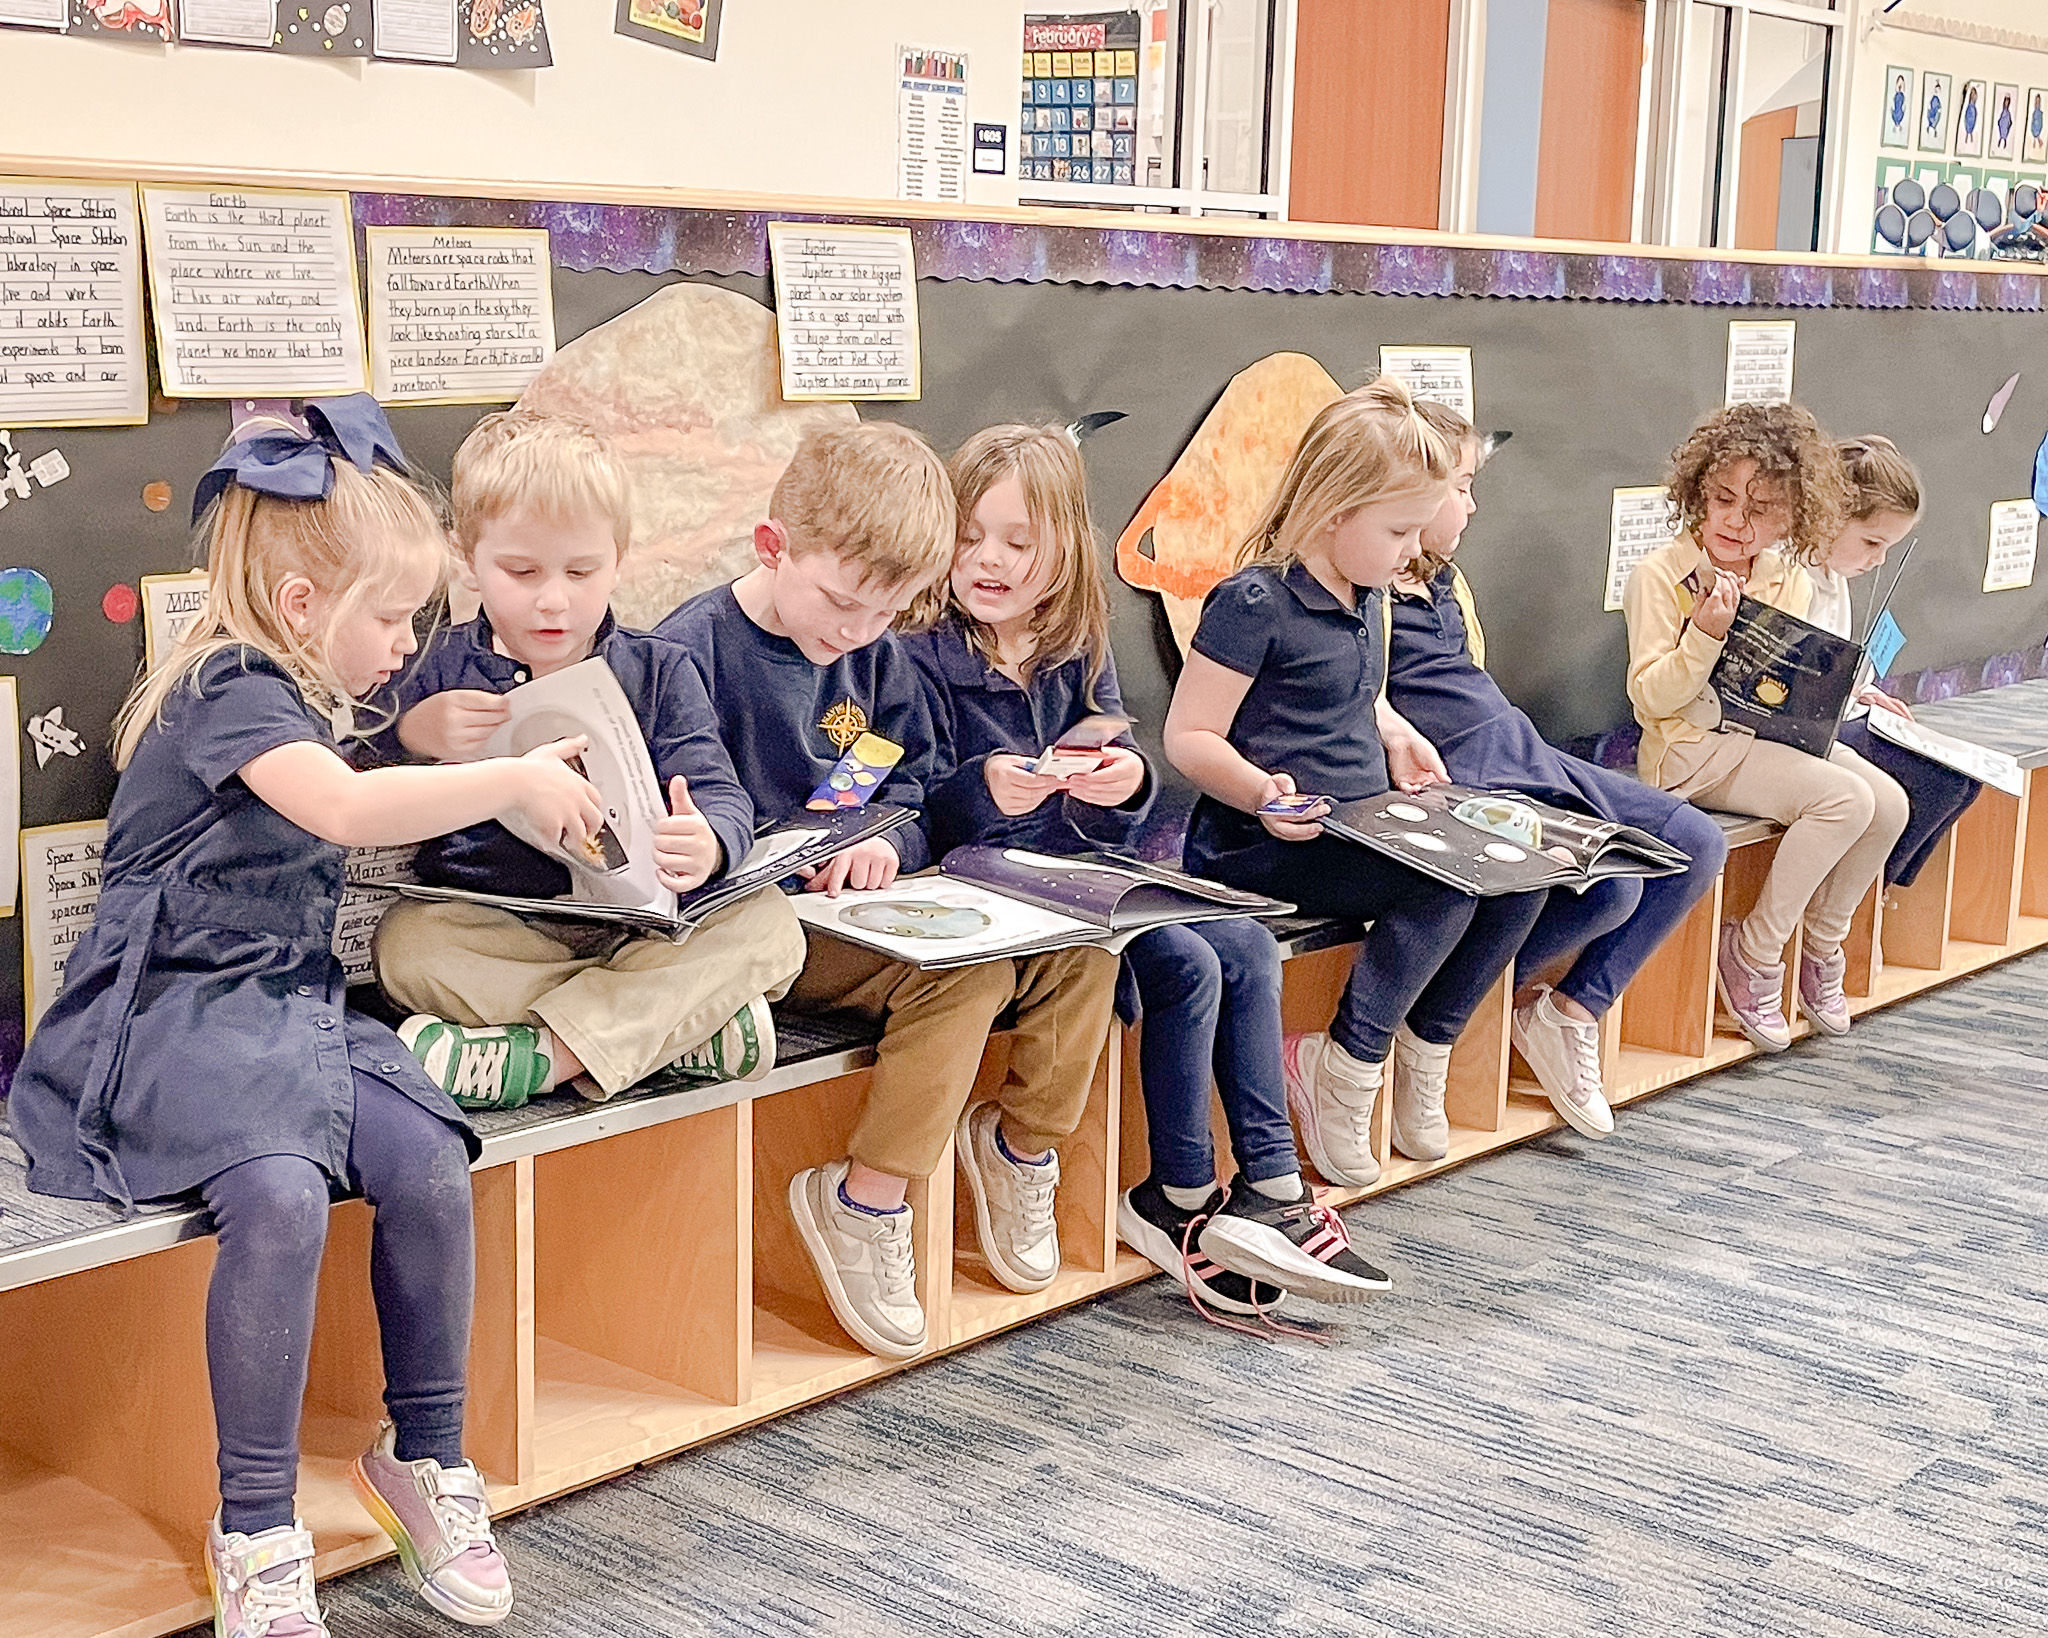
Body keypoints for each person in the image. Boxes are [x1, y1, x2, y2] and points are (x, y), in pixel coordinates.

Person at [5, 400, 601, 1635]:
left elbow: (356, 787)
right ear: (295, 605)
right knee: (278, 1197)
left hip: (285, 1009)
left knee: (431, 1161)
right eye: (390, 620)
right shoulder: (226, 682)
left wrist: (474, 764)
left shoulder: (301, 686)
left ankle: (423, 1458)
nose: (402, 648)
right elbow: (336, 808)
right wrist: (508, 777)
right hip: (166, 1023)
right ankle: (258, 1530)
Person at [657, 422, 1121, 1359]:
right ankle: (866, 1199)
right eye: (841, 605)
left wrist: (879, 843)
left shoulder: (878, 657)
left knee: (1083, 942)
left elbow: (897, 784)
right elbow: (682, 823)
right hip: (757, 922)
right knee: (967, 977)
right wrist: (783, 858)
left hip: (863, 905)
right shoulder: (688, 653)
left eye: (886, 611)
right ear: (771, 547)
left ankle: (1023, 1147)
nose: (856, 632)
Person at [903, 424, 1387, 1313]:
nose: (989, 560)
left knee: (1244, 943)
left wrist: (1122, 781)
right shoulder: (914, 651)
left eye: (1017, 541)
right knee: (1191, 964)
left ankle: (1271, 1189)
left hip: (1090, 868)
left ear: (1062, 549)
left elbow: (1116, 755)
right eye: (970, 537)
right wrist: (986, 788)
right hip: (988, 891)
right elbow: (917, 804)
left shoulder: (1076, 640)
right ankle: (1181, 1194)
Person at [1163, 377, 1550, 1183]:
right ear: (1333, 512)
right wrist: (1264, 795)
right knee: (1444, 887)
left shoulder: (1368, 592)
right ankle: (1346, 1065)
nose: (1415, 549)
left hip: (1359, 823)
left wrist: (1397, 731)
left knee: (1521, 874)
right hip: (1258, 845)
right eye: (1400, 528)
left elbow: (1357, 690)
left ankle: (1428, 1042)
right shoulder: (1254, 601)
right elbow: (1189, 736)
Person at [370, 411, 805, 1108]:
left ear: (618, 556)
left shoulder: (661, 670)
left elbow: (721, 793)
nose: (553, 599)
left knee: (773, 926)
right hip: (502, 926)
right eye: (520, 571)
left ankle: (545, 1056)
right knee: (405, 946)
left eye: (581, 571)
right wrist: (410, 735)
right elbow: (348, 779)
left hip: (645, 930)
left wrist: (712, 843)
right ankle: (677, 1032)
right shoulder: (432, 667)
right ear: (465, 557)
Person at [1384, 401, 1728, 1137]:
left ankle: (1568, 1012)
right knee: (1606, 892)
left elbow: (1474, 676)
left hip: (1525, 750)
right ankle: (1437, 1012)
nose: (1472, 506)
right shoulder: (1366, 591)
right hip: (1471, 772)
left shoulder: (1443, 582)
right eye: (1463, 487)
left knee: (1696, 844)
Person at [1623, 402, 1902, 1050]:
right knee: (1843, 797)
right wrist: (1705, 636)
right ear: (1699, 489)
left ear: (1794, 517)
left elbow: (1784, 692)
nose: (1736, 523)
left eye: (1761, 512)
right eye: (1722, 499)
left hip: (1763, 742)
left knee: (1888, 802)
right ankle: (1754, 952)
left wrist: (1835, 702)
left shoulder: (1785, 576)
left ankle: (1821, 942)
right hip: (1687, 753)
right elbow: (1651, 700)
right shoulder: (1661, 575)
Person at [1803, 435, 1980, 889]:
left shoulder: (1832, 578)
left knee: (1964, 779)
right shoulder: (1790, 576)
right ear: (1830, 516)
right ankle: (1861, 901)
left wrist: (1868, 693)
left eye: (1888, 549)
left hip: (1836, 720)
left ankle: (1872, 900)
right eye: (1871, 542)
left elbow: (1843, 661)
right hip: (1807, 734)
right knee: (1936, 782)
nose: (1877, 560)